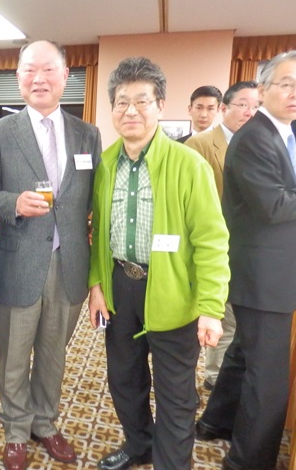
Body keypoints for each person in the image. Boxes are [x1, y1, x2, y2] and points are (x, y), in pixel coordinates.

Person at [87, 56, 230, 470]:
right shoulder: (105, 164)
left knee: (175, 394)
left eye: (142, 101)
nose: (130, 110)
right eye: (121, 102)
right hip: (120, 287)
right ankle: (139, 445)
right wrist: (96, 285)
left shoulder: (189, 164)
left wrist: (210, 307)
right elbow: (98, 233)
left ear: (160, 106)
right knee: (124, 380)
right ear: (112, 109)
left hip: (173, 289)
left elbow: (211, 241)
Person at [195, 50, 296, 470]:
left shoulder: (281, 134)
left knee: (243, 355)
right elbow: (273, 206)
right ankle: (248, 461)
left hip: (268, 270)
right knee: (267, 376)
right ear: (264, 89)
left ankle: (215, 422)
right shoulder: (257, 137)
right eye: (286, 84)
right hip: (262, 275)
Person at [0, 40, 102, 470]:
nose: (39, 79)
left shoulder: (87, 134)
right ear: (18, 78)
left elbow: (94, 199)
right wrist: (12, 202)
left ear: (65, 76)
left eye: (48, 70)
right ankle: (16, 429)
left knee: (53, 354)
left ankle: (44, 422)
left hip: (70, 263)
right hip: (18, 260)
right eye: (29, 70)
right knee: (13, 354)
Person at [184, 80, 259, 390]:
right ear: (225, 108)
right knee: (216, 317)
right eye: (243, 105)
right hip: (215, 244)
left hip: (251, 247)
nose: (249, 112)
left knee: (238, 320)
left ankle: (227, 377)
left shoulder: (259, 144)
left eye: (256, 106)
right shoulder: (199, 144)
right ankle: (213, 379)